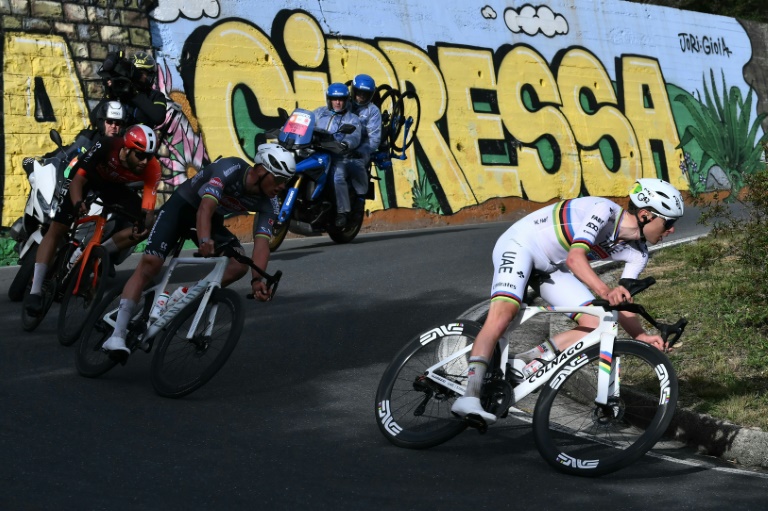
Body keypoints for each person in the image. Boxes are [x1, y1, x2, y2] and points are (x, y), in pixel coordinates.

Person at [450, 179, 685, 424]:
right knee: (504, 313)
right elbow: (575, 259)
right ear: (646, 215)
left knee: (599, 322)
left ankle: (525, 361)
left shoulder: (638, 253)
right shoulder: (604, 211)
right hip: (521, 244)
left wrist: (641, 336)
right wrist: (605, 290)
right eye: (669, 223)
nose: (671, 230)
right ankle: (470, 395)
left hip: (551, 266)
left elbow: (621, 301)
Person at [100, 143, 295, 357]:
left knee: (238, 265)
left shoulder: (270, 203)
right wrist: (203, 239)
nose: (281, 186)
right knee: (150, 265)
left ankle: (183, 295)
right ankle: (116, 336)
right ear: (260, 170)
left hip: (210, 220)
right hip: (182, 208)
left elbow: (262, 243)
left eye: (285, 181)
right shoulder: (230, 168)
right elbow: (205, 208)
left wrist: (257, 280)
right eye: (278, 179)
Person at [24, 125, 162, 316]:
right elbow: (78, 181)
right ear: (127, 149)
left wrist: (144, 223)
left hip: (114, 187)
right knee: (58, 228)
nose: (145, 161)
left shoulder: (152, 168)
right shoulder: (107, 145)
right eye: (140, 156)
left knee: (147, 226)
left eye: (149, 156)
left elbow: (147, 209)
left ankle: (101, 251)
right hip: (87, 177)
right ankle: (36, 290)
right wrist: (78, 202)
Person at [312, 83, 362, 228]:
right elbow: (306, 122)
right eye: (335, 99)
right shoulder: (319, 112)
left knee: (337, 176)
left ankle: (343, 212)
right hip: (316, 151)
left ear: (346, 100)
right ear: (329, 99)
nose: (338, 102)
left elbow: (355, 136)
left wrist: (346, 144)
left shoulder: (352, 119)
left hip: (337, 155)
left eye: (341, 99)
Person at [94, 50, 168, 128]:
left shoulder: (155, 96)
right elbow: (94, 119)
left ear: (150, 76)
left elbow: (158, 117)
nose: (137, 76)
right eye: (136, 72)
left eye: (141, 73)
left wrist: (134, 94)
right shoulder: (121, 91)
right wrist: (109, 93)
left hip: (140, 138)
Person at [347, 74, 382, 222]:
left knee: (357, 165)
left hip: (362, 146)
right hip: (342, 144)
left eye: (365, 94)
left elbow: (374, 140)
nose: (360, 97)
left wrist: (360, 151)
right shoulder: (345, 103)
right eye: (358, 92)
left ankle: (359, 202)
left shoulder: (372, 111)